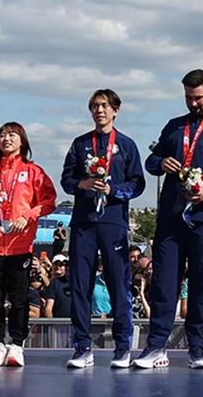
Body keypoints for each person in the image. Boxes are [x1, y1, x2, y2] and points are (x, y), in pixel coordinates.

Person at [134, 69, 203, 370]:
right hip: (171, 217)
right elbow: (150, 161)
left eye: (197, 97)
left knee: (202, 284)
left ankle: (197, 347)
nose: (193, 103)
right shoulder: (173, 127)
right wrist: (161, 163)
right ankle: (156, 345)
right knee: (164, 284)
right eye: (188, 97)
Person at [60, 89, 147, 369]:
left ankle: (123, 347)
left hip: (112, 221)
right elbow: (66, 179)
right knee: (81, 285)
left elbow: (138, 184)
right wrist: (81, 185)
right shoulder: (80, 143)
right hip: (84, 222)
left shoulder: (126, 144)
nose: (99, 111)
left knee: (118, 285)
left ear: (115, 110)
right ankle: (82, 347)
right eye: (95, 106)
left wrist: (114, 190)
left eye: (104, 106)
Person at [0, 122, 58, 368]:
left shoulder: (33, 171)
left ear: (22, 140)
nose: (6, 138)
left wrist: (29, 215)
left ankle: (17, 344)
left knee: (20, 297)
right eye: (2, 134)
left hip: (20, 245)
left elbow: (49, 200)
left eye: (11, 134)